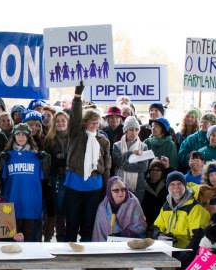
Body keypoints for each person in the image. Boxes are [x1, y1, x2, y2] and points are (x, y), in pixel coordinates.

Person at [63, 83, 111, 242]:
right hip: (74, 185)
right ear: (85, 123)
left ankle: (87, 260)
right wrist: (77, 97)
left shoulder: (103, 140)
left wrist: (106, 187)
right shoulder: (76, 134)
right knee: (71, 223)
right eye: (91, 122)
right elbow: (75, 118)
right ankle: (68, 256)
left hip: (94, 187)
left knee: (88, 225)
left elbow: (107, 165)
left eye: (97, 122)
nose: (94, 125)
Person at [152, 172, 211, 270]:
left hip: (189, 253)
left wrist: (183, 256)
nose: (176, 188)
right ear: (168, 187)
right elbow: (156, 227)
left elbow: (198, 237)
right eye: (172, 185)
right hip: (171, 250)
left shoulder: (195, 208)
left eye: (179, 184)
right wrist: (159, 235)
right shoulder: (166, 206)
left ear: (185, 186)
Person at [0, 123, 49, 242]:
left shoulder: (37, 157)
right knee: (11, 246)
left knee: (31, 243)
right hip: (11, 206)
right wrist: (0, 164)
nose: (21, 137)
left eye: (24, 134)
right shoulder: (7, 156)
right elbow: (0, 181)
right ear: (14, 137)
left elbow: (44, 178)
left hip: (31, 206)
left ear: (28, 137)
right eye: (18, 134)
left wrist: (46, 164)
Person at [43, 109, 71, 242]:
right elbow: (49, 162)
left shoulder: (73, 137)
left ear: (67, 122)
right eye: (58, 121)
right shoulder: (50, 139)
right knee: (59, 208)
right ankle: (60, 237)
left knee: (71, 208)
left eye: (63, 120)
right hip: (57, 177)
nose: (60, 123)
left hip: (72, 177)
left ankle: (70, 237)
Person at [92, 176, 147, 242]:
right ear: (109, 192)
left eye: (123, 189)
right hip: (106, 244)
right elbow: (99, 232)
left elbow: (141, 227)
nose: (120, 193)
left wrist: (122, 234)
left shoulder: (133, 202)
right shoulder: (103, 207)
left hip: (130, 241)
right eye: (116, 190)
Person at [111, 116, 149, 200]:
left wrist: (124, 166)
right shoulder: (117, 145)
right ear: (126, 130)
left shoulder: (143, 146)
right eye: (131, 129)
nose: (134, 132)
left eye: (136, 130)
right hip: (119, 182)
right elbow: (118, 161)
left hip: (137, 185)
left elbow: (143, 167)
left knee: (135, 210)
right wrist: (131, 153)